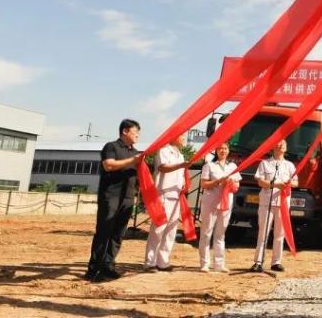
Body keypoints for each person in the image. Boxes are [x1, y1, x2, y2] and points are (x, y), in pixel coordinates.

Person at [86, 119, 143, 282]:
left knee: (118, 233)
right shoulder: (111, 147)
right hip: (111, 196)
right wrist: (133, 161)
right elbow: (108, 165)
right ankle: (94, 268)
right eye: (135, 132)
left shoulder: (135, 152)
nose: (137, 135)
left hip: (127, 197)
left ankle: (108, 265)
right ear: (124, 131)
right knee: (104, 231)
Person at [144, 134, 190, 272]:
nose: (183, 139)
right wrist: (181, 165)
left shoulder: (181, 155)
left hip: (176, 195)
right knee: (158, 229)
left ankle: (163, 262)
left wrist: (183, 185)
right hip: (164, 193)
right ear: (173, 137)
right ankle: (150, 262)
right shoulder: (163, 151)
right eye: (182, 136)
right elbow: (163, 168)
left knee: (171, 230)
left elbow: (180, 175)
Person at [251, 139, 298, 273]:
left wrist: (287, 184)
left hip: (282, 203)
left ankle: (276, 262)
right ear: (273, 147)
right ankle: (258, 261)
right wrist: (274, 185)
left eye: (284, 143)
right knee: (263, 232)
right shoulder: (265, 163)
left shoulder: (289, 165)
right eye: (279, 143)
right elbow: (260, 181)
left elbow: (295, 182)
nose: (281, 145)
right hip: (267, 201)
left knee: (279, 233)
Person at [198, 142, 242, 273]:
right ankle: (204, 263)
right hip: (211, 201)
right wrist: (218, 181)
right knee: (206, 233)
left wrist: (231, 183)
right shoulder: (209, 165)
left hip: (226, 202)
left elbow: (237, 186)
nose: (222, 151)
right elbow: (204, 184)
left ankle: (219, 263)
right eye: (220, 148)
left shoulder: (233, 166)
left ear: (228, 151)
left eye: (225, 148)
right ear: (216, 151)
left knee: (220, 234)